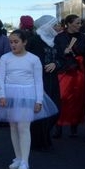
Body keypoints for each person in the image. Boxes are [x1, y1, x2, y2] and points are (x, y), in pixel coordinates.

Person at [0, 30, 55, 169]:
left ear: (24, 42)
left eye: (16, 42)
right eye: (11, 42)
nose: (13, 45)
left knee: (23, 127)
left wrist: (39, 100)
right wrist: (1, 95)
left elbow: (38, 81)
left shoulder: (33, 59)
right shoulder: (5, 58)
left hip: (27, 95)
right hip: (10, 95)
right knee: (13, 127)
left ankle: (25, 162)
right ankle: (18, 157)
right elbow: (0, 79)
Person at [27, 15, 61, 151]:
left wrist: (56, 63)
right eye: (55, 25)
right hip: (38, 80)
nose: (58, 28)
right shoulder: (34, 41)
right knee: (39, 110)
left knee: (55, 109)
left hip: (52, 79)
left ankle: (45, 136)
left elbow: (62, 58)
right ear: (46, 26)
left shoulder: (55, 40)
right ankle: (38, 141)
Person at [53, 15, 85, 138]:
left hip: (78, 71)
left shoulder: (83, 37)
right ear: (69, 24)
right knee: (62, 98)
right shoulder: (59, 37)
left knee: (77, 99)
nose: (80, 25)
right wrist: (63, 53)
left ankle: (74, 126)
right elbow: (56, 52)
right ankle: (58, 126)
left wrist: (77, 51)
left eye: (80, 23)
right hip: (64, 71)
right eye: (77, 23)